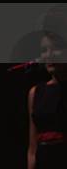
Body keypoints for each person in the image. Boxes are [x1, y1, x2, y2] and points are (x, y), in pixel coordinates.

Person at [27, 31, 67, 169]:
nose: (49, 55)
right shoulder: (35, 93)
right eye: (44, 50)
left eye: (55, 49)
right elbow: (32, 148)